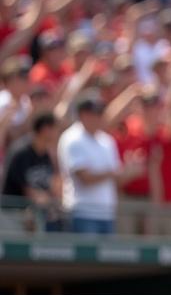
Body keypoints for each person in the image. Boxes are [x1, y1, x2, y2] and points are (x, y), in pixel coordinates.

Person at [57, 93, 143, 235]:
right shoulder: (72, 138)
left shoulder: (106, 141)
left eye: (100, 112)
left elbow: (116, 179)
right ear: (82, 114)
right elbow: (86, 178)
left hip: (107, 213)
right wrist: (114, 172)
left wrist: (130, 171)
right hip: (82, 212)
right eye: (94, 113)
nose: (98, 117)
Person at [2, 111, 62, 230]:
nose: (58, 133)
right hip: (13, 214)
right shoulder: (21, 152)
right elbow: (27, 190)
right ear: (45, 129)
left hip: (33, 215)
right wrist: (49, 201)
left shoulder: (45, 154)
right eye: (55, 129)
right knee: (14, 248)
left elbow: (52, 185)